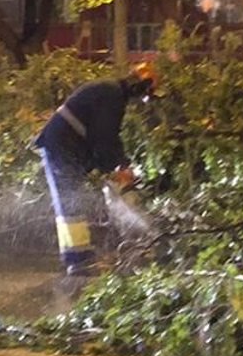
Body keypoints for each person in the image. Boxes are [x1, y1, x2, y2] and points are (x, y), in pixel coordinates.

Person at [34, 64, 154, 276]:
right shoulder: (112, 96)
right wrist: (119, 168)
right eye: (143, 94)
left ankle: (79, 257)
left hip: (68, 145)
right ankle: (77, 261)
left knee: (73, 199)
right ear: (138, 86)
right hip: (61, 145)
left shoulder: (112, 92)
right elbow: (104, 139)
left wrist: (118, 165)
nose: (139, 102)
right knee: (70, 200)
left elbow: (104, 138)